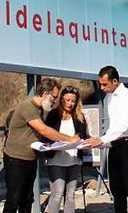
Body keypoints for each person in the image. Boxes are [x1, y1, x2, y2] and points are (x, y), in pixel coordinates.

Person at [2, 78, 79, 213]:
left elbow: (35, 133)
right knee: (13, 199)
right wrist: (69, 140)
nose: (55, 101)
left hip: (30, 159)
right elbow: (44, 129)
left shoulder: (41, 109)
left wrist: (46, 144)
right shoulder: (27, 107)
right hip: (16, 159)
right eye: (54, 97)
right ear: (44, 93)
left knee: (27, 199)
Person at [85, 66, 128, 213]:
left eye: (105, 84)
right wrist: (102, 142)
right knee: (116, 188)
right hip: (115, 145)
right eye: (100, 84)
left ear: (115, 81)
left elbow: (123, 126)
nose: (102, 87)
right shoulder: (109, 98)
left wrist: (101, 139)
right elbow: (113, 127)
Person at [44, 85, 90, 213]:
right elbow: (46, 134)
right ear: (61, 99)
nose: (70, 103)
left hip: (74, 159)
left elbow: (82, 134)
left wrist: (78, 137)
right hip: (56, 159)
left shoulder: (79, 116)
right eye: (67, 100)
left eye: (73, 101)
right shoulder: (53, 114)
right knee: (57, 193)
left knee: (70, 195)